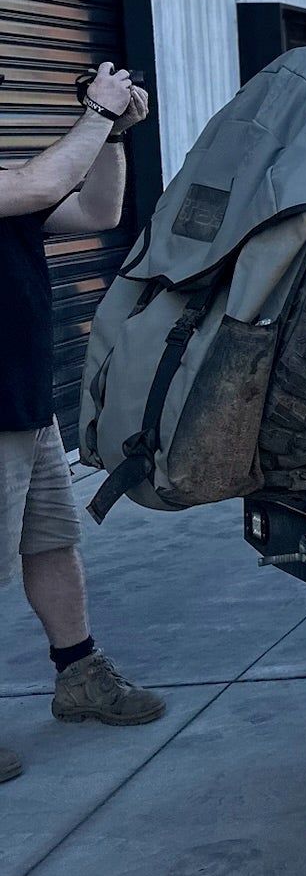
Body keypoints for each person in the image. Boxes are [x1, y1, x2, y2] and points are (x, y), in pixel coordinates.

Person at [1, 63, 165, 783]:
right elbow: (40, 185)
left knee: (52, 544)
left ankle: (80, 674)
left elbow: (95, 212)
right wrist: (96, 112)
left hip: (25, 405)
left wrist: (115, 137)